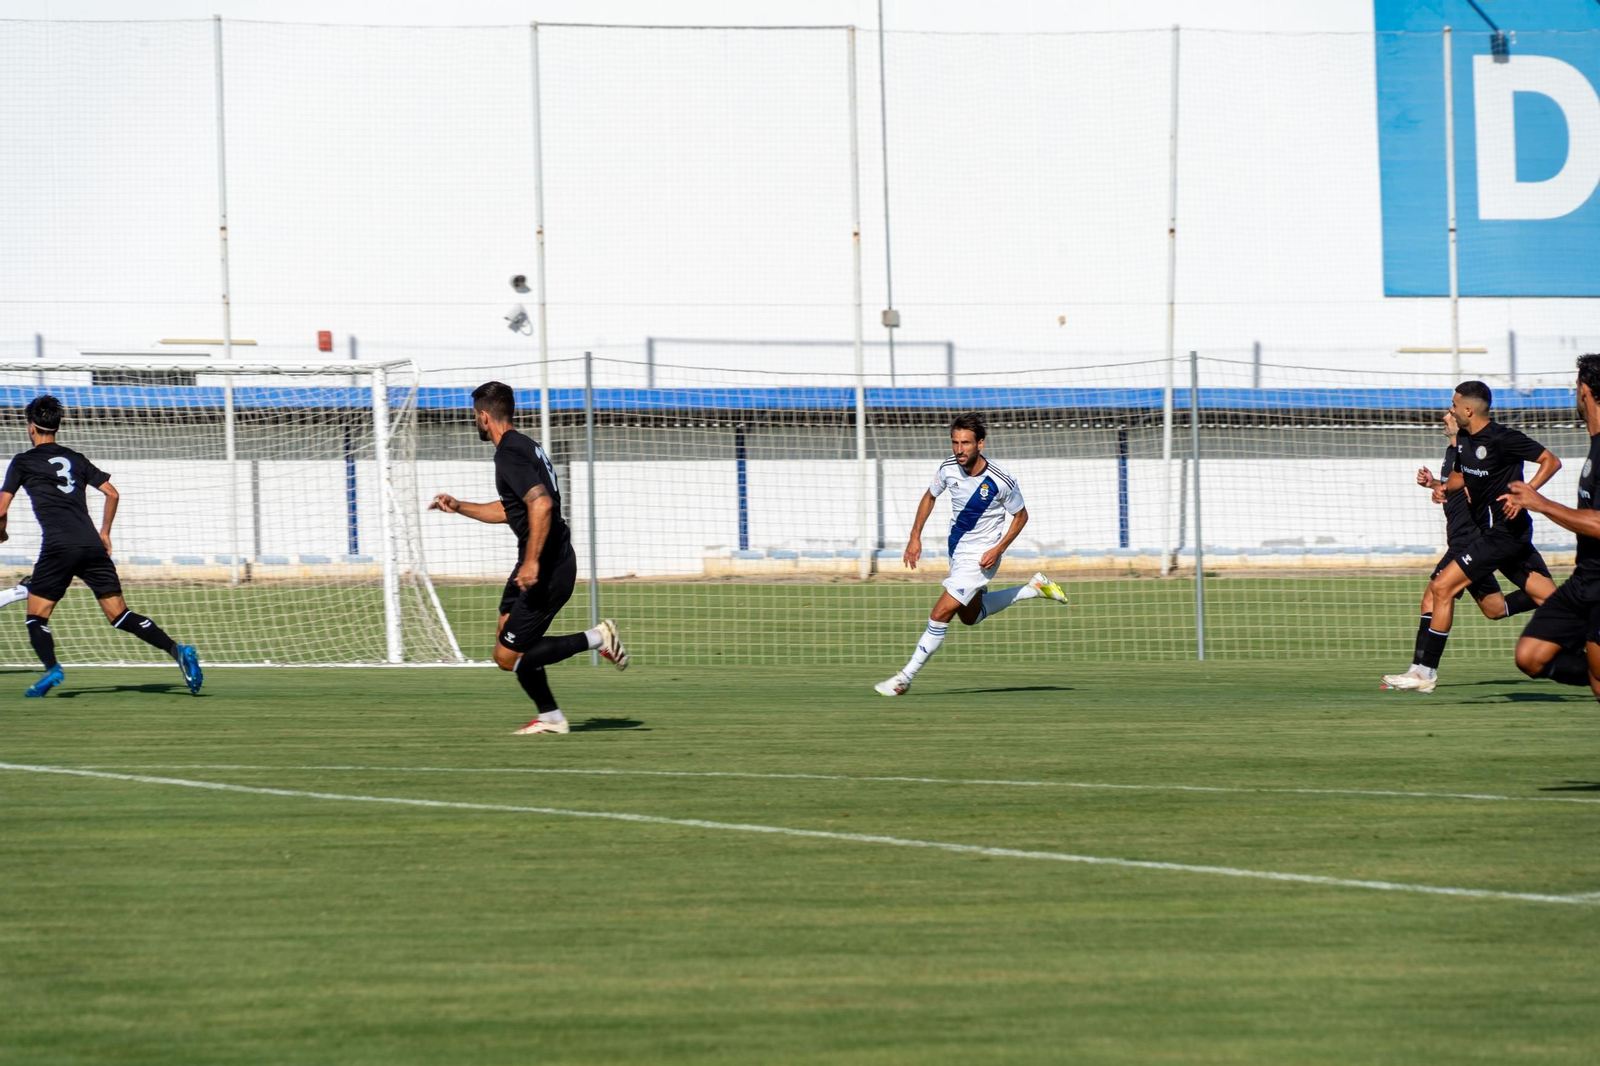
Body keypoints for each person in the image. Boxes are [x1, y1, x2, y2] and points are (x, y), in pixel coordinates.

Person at [430, 381, 627, 735]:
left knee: (508, 657)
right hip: (545, 560)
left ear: (484, 416)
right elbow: (513, 509)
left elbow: (541, 504)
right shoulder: (526, 446)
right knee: (506, 631)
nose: (475, 421)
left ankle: (598, 638)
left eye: (475, 416)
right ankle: (550, 717)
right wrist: (460, 507)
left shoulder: (507, 453)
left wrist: (532, 562)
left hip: (547, 567)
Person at [0, 395, 202, 697]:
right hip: (91, 544)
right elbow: (112, 493)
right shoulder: (76, 458)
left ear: (31, 427)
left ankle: (53, 669)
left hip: (58, 546)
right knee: (119, 615)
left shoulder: (24, 461)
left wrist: (2, 533)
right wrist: (105, 533)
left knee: (36, 617)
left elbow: (1, 508)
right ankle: (177, 650)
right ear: (57, 425)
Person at [1382, 381, 1559, 694]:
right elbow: (1461, 477)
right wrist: (1441, 486)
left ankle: (1424, 673)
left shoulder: (1504, 439)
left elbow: (1551, 461)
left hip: (1505, 534)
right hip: (1500, 534)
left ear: (1468, 409)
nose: (1449, 411)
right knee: (1548, 599)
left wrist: (1526, 494)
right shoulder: (1463, 439)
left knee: (1441, 587)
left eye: (1453, 405)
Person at [875, 412, 1068, 697]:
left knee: (940, 613)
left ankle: (904, 678)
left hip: (981, 558)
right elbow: (929, 497)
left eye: (965, 443)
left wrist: (998, 549)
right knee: (970, 616)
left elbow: (1021, 516)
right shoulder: (948, 468)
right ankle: (1033, 588)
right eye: (955, 442)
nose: (959, 449)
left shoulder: (1001, 480)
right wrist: (915, 536)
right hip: (957, 551)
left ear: (981, 444)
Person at [1501, 354, 1600, 699]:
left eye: (1576, 387)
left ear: (1585, 390)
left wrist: (1540, 504)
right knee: (1530, 657)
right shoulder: (1595, 447)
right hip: (1583, 580)